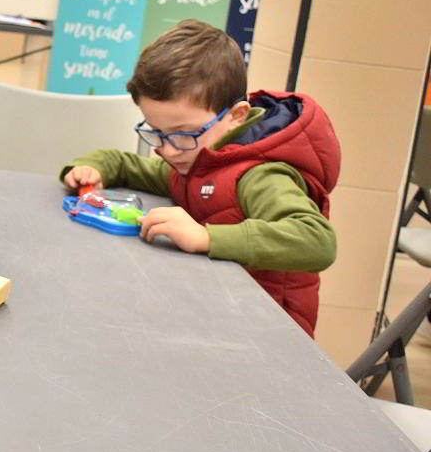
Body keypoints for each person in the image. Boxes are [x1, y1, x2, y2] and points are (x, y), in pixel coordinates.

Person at [61, 19, 340, 336]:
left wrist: (206, 237)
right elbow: (129, 166)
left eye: (183, 133)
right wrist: (94, 166)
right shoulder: (197, 158)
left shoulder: (260, 174)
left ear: (236, 116)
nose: (167, 149)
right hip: (217, 314)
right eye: (156, 132)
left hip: (269, 334)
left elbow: (317, 239)